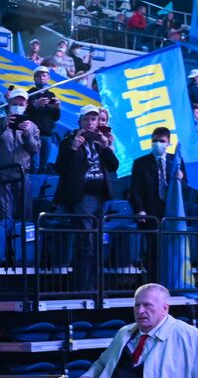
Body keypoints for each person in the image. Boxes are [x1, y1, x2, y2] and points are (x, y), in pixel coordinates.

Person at [56, 105, 118, 291]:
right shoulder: (69, 140)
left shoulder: (102, 141)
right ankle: (82, 285)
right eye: (87, 119)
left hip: (101, 197)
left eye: (94, 119)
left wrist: (106, 148)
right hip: (81, 197)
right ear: (80, 121)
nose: (90, 122)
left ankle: (93, 284)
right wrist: (74, 147)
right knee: (86, 241)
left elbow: (114, 166)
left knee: (96, 242)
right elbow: (60, 168)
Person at [0, 88, 39, 220]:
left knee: (25, 212)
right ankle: (5, 238)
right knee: (4, 213)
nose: (18, 107)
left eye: (21, 105)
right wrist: (2, 127)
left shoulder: (32, 126)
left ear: (26, 105)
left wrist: (27, 134)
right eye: (15, 104)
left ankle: (21, 240)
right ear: (9, 103)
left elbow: (35, 149)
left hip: (22, 173)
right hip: (2, 174)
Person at [129, 127, 183, 221]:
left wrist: (181, 179)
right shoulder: (140, 163)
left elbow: (185, 188)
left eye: (162, 141)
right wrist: (139, 210)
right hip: (148, 214)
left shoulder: (176, 161)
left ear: (168, 142)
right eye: (155, 141)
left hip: (171, 212)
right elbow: (135, 190)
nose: (158, 144)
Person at [26, 67, 62, 171]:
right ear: (34, 78)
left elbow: (55, 118)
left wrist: (57, 108)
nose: (41, 78)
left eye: (44, 75)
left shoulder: (51, 95)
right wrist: (35, 105)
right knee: (34, 164)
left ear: (48, 78)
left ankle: (41, 185)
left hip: (47, 134)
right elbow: (24, 113)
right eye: (39, 76)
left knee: (44, 165)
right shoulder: (29, 94)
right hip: (33, 135)